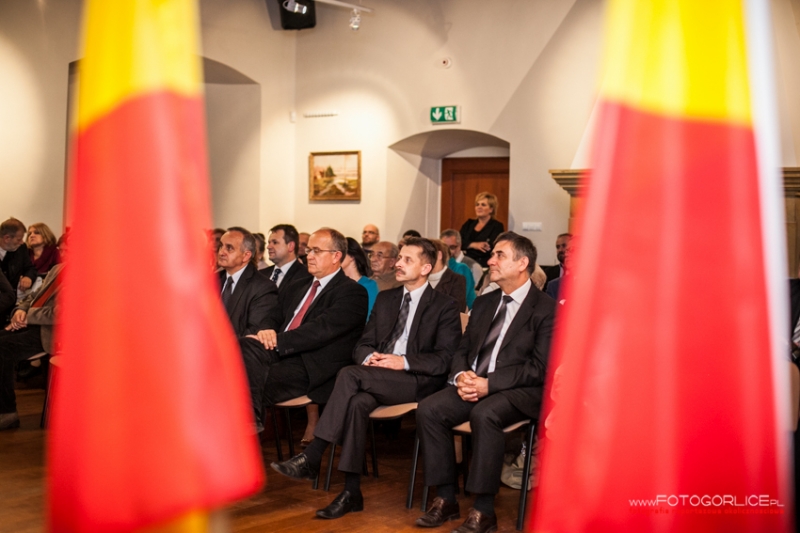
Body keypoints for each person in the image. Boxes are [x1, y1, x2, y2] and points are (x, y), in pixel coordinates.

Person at [270, 237, 462, 519]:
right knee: (357, 402)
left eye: (407, 260)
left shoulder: (444, 305)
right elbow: (362, 343)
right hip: (377, 375)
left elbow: (445, 358)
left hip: (417, 380)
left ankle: (314, 455)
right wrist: (369, 357)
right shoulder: (387, 299)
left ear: (426, 268)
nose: (398, 263)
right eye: (399, 258)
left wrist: (402, 361)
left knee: (349, 375)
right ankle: (351, 492)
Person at [415, 232, 555, 533]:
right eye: (492, 255)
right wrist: (461, 375)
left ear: (522, 263)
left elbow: (540, 368)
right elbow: (463, 349)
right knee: (429, 409)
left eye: (500, 255)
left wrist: (490, 384)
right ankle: (446, 498)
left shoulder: (546, 309)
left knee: (485, 413)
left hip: (519, 391)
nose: (490, 261)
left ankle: (484, 509)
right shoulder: (485, 302)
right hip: (475, 383)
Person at [238, 228, 368, 431]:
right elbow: (273, 316)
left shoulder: (352, 292)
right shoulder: (297, 286)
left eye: (317, 251)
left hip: (309, 364)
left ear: (336, 256)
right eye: (308, 250)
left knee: (237, 381)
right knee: (242, 345)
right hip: (277, 351)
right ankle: (249, 422)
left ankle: (244, 428)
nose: (309, 256)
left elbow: (319, 331)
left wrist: (277, 341)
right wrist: (265, 330)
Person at [0, 233, 67, 430]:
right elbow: (33, 296)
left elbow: (62, 314)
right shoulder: (58, 269)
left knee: (2, 347)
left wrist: (27, 316)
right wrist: (20, 310)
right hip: (34, 324)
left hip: (54, 333)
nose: (63, 254)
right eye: (62, 250)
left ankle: (8, 412)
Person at [217, 227, 282, 338]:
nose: (221, 252)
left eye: (229, 248)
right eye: (221, 246)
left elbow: (255, 331)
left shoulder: (263, 288)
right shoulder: (212, 280)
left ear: (246, 255)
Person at [459, 192, 505, 268]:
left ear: (491, 209)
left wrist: (467, 246)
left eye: (483, 205)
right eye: (477, 204)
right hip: (465, 263)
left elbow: (490, 249)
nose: (479, 207)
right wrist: (474, 245)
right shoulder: (469, 224)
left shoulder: (497, 226)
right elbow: (459, 242)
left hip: (485, 264)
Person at [262, 224, 312, 293]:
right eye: (269, 242)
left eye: (275, 242)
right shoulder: (261, 274)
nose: (268, 247)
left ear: (290, 246)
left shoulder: (306, 276)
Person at [428, 239, 467, 313]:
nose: (422, 258)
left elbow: (457, 309)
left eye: (426, 254)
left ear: (439, 255)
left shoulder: (456, 280)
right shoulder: (419, 278)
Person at [343, 237, 378, 316]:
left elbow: (370, 317)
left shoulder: (369, 285)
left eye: (340, 253)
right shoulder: (335, 284)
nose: (335, 257)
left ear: (352, 256)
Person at [0, 218, 36, 293]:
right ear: (6, 238)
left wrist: (28, 277)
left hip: (13, 297)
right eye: (19, 239)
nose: (22, 242)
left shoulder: (21, 248)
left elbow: (29, 268)